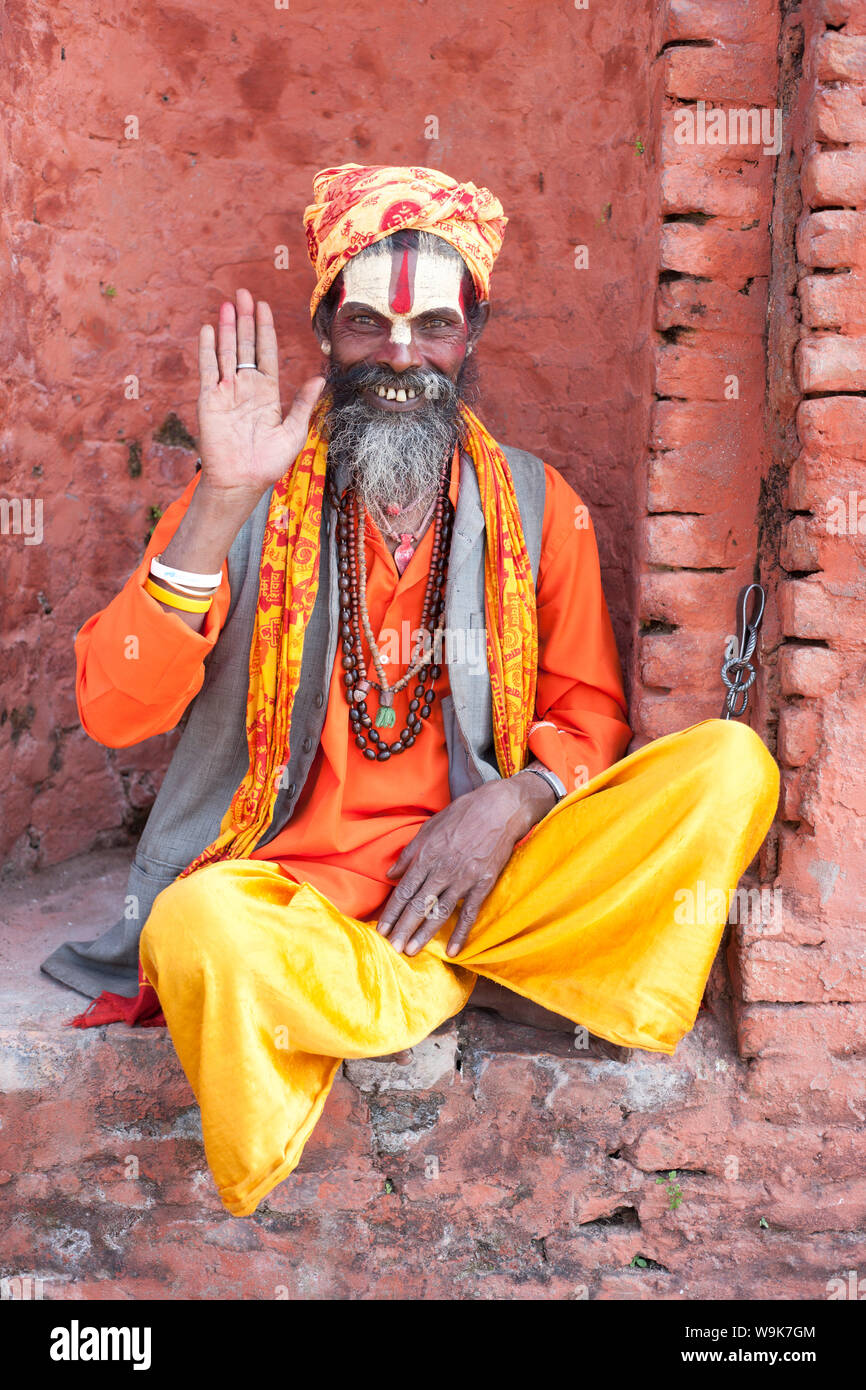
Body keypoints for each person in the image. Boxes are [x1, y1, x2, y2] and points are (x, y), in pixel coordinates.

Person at [42, 164, 779, 1217]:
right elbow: (115, 711)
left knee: (725, 767)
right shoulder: (247, 500)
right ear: (324, 333)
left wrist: (510, 803)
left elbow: (586, 720)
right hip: (299, 904)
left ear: (469, 336)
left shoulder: (536, 505)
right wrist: (220, 499)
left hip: (492, 889)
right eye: (365, 325)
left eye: (432, 323)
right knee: (196, 929)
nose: (399, 354)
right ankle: (451, 997)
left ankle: (428, 988)